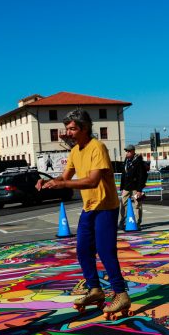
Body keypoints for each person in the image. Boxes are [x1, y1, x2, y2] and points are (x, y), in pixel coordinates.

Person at [37, 109, 131, 316]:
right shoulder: (75, 151)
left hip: (105, 206)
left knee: (105, 251)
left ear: (85, 128)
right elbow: (64, 177)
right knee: (82, 250)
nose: (67, 133)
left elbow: (93, 181)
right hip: (89, 207)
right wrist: (47, 181)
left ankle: (121, 294)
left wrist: (62, 184)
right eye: (67, 129)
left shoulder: (97, 147)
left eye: (72, 129)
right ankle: (95, 289)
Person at [119, 144, 148, 229]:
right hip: (126, 186)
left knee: (137, 205)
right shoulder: (126, 160)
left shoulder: (138, 161)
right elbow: (124, 174)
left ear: (133, 151)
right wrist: (122, 187)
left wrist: (139, 190)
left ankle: (138, 223)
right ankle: (122, 222)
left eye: (128, 151)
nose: (127, 153)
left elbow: (142, 176)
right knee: (123, 204)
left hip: (136, 187)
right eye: (126, 151)